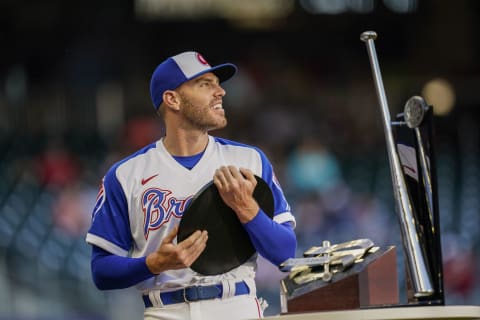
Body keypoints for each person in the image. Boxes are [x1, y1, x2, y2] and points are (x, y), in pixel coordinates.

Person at [85, 51, 297, 320]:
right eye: (205, 84)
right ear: (172, 99)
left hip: (236, 305)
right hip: (165, 310)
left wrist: (247, 208)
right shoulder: (126, 175)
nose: (220, 92)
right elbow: (101, 272)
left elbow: (285, 253)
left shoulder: (250, 160)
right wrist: (153, 264)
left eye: (217, 83)